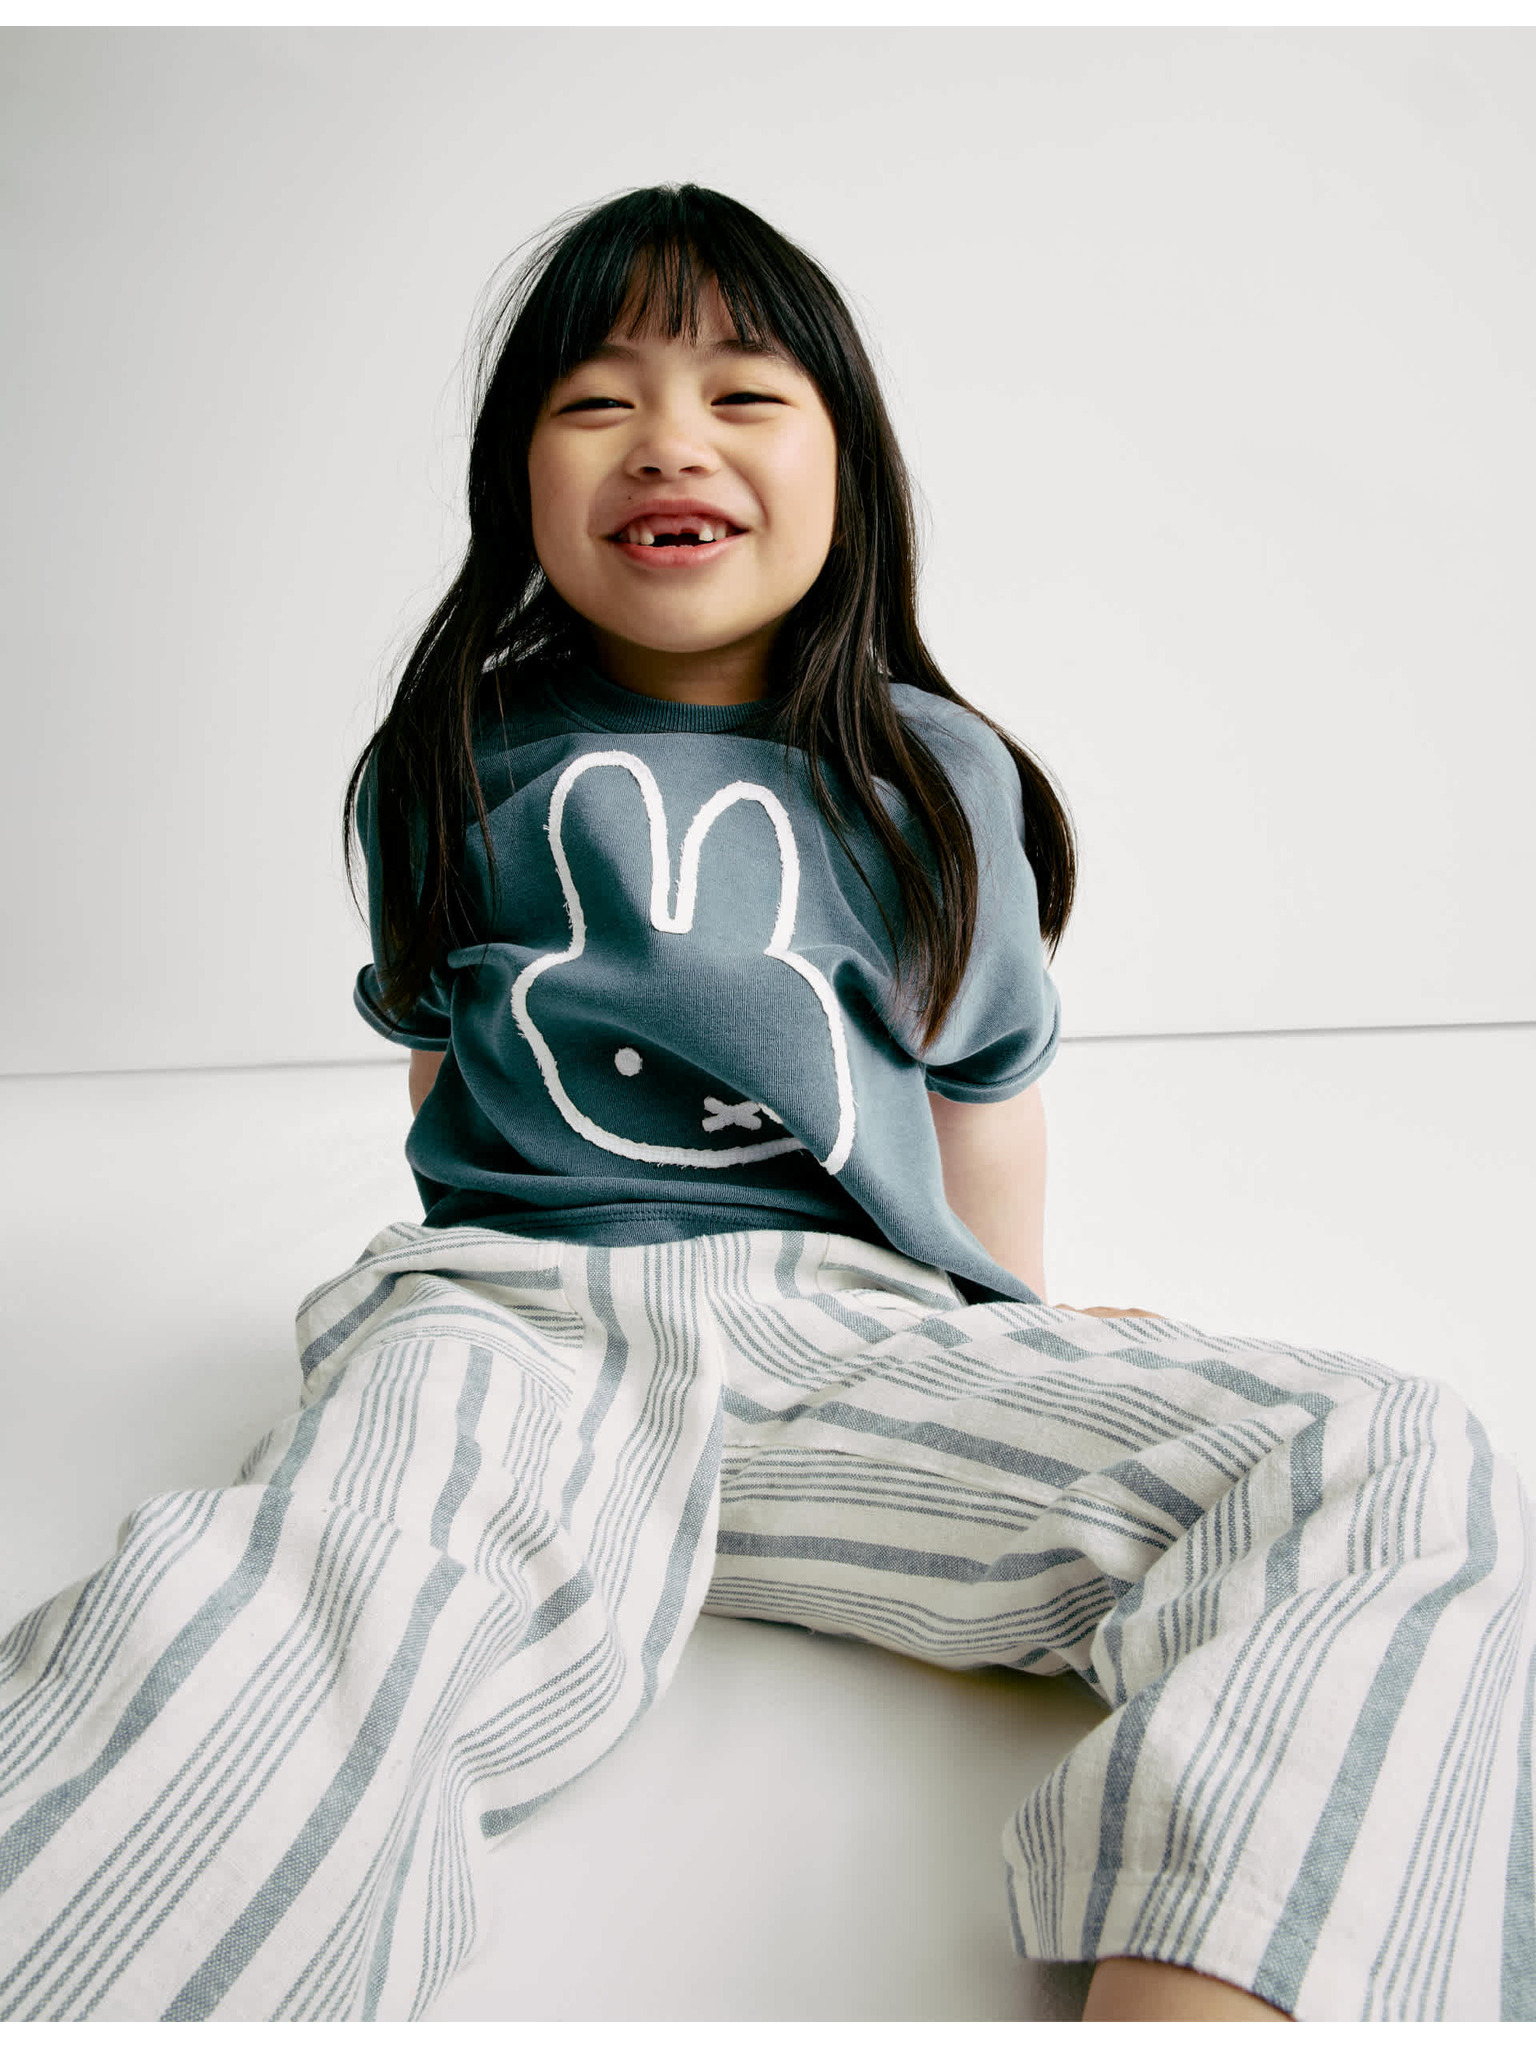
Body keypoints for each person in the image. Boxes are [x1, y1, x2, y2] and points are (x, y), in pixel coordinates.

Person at [0, 182, 1529, 2026]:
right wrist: (452, 1298)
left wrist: (1010, 1316)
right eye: (596, 400)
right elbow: (444, 1054)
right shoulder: (451, 759)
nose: (668, 437)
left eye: (742, 393)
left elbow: (981, 1088)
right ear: (516, 484)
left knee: (1384, 1452)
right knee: (312, 1592)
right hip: (518, 1319)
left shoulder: (929, 777)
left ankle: (1223, 1993)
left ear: (846, 470)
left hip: (845, 1342)